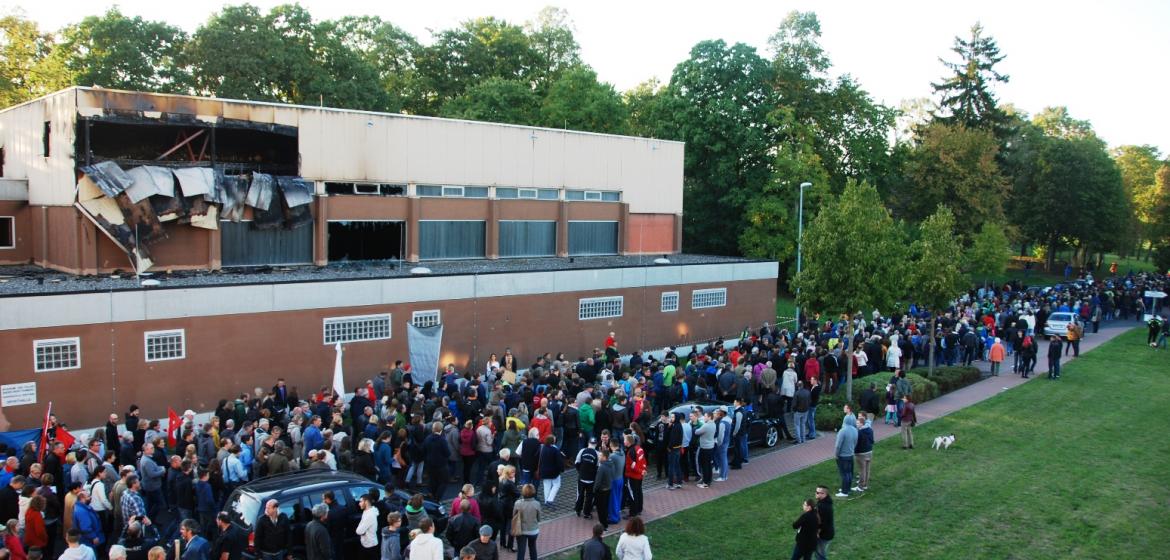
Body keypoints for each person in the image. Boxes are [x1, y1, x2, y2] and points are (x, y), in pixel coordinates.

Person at [833, 407, 857, 498]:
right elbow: (855, 442)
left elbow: (838, 445)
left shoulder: (842, 431)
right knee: (850, 473)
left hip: (843, 456)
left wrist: (836, 454)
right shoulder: (855, 430)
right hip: (850, 454)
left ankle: (844, 492)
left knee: (844, 473)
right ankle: (848, 488)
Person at [513, 484, 541, 560]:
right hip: (533, 530)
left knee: (521, 551)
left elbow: (514, 516)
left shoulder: (518, 503)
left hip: (521, 530)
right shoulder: (537, 504)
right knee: (532, 547)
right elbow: (539, 518)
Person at [574, 438, 599, 519]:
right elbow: (598, 467)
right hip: (591, 480)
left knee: (580, 495)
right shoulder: (597, 453)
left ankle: (578, 510)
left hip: (581, 478)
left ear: (588, 443)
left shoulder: (582, 451)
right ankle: (586, 513)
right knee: (589, 497)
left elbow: (577, 462)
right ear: (596, 444)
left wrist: (580, 472)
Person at [537, 436, 564, 506]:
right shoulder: (555, 450)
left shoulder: (543, 448)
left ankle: (546, 501)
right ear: (553, 441)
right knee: (557, 484)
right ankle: (550, 500)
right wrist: (562, 469)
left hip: (544, 471)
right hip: (553, 472)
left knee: (546, 486)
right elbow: (559, 462)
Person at [591, 449, 612, 530]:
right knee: (605, 507)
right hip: (608, 488)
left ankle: (603, 525)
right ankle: (605, 523)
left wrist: (594, 489)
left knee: (600, 509)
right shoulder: (610, 464)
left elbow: (598, 481)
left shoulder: (602, 467)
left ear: (604, 457)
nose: (599, 457)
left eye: (600, 455)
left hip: (601, 491)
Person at [853, 413, 874, 492]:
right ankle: (865, 485)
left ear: (861, 424)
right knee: (867, 469)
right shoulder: (870, 430)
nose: (856, 425)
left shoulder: (859, 432)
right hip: (869, 451)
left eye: (857, 423)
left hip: (861, 453)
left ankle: (860, 486)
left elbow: (856, 444)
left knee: (862, 470)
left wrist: (855, 451)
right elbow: (872, 440)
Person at [356, 493, 380, 560]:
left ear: (366, 502)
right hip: (367, 543)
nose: (359, 503)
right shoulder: (366, 511)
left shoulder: (370, 515)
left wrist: (362, 531)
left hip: (370, 546)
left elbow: (358, 531)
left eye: (361, 501)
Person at [814, 486, 834, 560]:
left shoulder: (823, 507)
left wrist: (817, 533)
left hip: (824, 535)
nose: (815, 493)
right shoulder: (825, 501)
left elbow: (823, 523)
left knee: (820, 555)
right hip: (827, 532)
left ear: (823, 494)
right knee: (819, 554)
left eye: (817, 492)